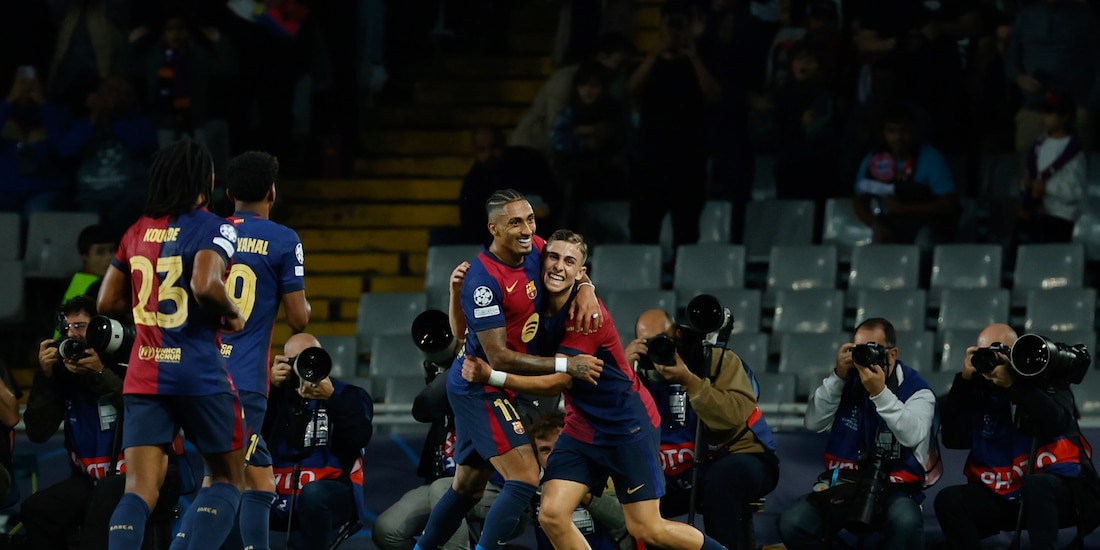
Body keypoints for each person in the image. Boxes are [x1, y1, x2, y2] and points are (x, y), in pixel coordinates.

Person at [463, 229, 729, 550]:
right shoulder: (537, 281)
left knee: (647, 527)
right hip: (582, 427)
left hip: (627, 426)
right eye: (554, 257)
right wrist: (460, 287)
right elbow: (512, 238)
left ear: (580, 271)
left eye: (570, 262)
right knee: (552, 514)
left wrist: (492, 377)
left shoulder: (587, 317)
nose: (559, 266)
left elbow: (557, 381)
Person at [412, 189, 603, 550]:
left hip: (506, 386)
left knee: (467, 487)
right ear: (494, 229)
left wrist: (586, 287)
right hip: (480, 387)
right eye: (515, 222)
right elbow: (497, 357)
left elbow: (570, 265)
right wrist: (566, 364)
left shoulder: (536, 250)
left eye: (529, 219)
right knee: (526, 477)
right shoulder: (483, 281)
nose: (526, 229)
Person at [97, 139, 246, 550]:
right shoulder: (215, 227)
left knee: (138, 492)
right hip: (198, 372)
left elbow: (106, 302)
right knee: (229, 478)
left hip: (144, 373)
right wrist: (233, 313)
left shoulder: (136, 231)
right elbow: (204, 283)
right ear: (207, 179)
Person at [173, 150, 311, 550]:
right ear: (272, 191)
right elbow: (299, 321)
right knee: (222, 480)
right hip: (245, 382)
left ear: (228, 192)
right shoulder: (284, 238)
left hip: (199, 372)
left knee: (259, 478)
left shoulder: (205, 232)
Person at [776, 317, 940, 550]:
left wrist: (880, 393)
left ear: (892, 354)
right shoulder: (845, 381)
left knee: (906, 523)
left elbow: (912, 435)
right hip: (844, 481)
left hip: (894, 487)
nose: (865, 357)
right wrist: (837, 377)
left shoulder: (918, 390)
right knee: (793, 522)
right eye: (858, 349)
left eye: (872, 349)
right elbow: (813, 423)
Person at [934, 323, 1100, 549]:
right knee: (949, 500)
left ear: (1017, 351)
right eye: (985, 352)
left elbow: (1056, 422)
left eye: (1000, 350)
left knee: (1036, 485)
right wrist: (963, 381)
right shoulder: (976, 389)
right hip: (1003, 496)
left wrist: (1014, 385)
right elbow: (954, 440)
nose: (994, 359)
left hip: (1058, 494)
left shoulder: (1044, 377)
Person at [627, 309, 780, 549]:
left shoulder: (715, 359)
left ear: (677, 334)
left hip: (740, 456)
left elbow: (734, 415)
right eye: (650, 343)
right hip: (678, 471)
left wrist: (690, 381)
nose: (659, 348)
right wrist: (624, 371)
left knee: (721, 480)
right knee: (636, 498)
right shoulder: (635, 373)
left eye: (663, 340)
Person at [373, 312, 500, 550]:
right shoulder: (442, 376)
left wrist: (466, 358)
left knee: (444, 491)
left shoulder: (488, 367)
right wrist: (449, 367)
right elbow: (424, 408)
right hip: (441, 480)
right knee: (387, 530)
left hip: (490, 485)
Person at [23, 296, 128, 550]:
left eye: (80, 326)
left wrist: (101, 375)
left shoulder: (125, 363)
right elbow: (38, 433)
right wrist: (46, 378)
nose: (72, 334)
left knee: (98, 514)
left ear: (101, 328)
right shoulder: (62, 376)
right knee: (36, 509)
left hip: (132, 477)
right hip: (86, 480)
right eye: (67, 328)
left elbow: (141, 412)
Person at [264, 332, 374, 550]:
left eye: (312, 357)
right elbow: (255, 435)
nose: (307, 367)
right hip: (277, 491)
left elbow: (359, 437)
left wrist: (331, 398)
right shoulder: (274, 396)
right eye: (298, 361)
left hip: (330, 492)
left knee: (313, 496)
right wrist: (272, 389)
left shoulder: (349, 394)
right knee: (229, 495)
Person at [627, 1, 722, 250]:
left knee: (687, 229)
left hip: (689, 160)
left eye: (681, 25)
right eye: (670, 24)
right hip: (651, 160)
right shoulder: (650, 61)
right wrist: (656, 53)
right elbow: (630, 89)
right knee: (643, 228)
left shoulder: (703, 59)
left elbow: (714, 97)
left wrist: (692, 55)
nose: (675, 31)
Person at [852, 104, 960, 251]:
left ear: (914, 131)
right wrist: (876, 225)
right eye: (892, 131)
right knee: (874, 251)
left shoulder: (931, 158)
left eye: (904, 131)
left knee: (923, 245)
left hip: (927, 225)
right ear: (884, 133)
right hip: (890, 224)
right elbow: (859, 201)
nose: (898, 137)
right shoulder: (874, 159)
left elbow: (949, 203)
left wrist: (905, 208)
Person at [511, 33, 635, 156]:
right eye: (620, 64)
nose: (622, 72)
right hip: (533, 148)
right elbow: (555, 126)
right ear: (602, 57)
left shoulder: (609, 86)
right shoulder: (567, 79)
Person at [526, 409, 633, 550]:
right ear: (537, 456)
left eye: (560, 446)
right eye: (545, 450)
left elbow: (623, 521)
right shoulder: (531, 487)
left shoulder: (601, 474)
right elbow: (516, 529)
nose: (555, 455)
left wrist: (582, 493)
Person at [450, 127, 559, 245]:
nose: (489, 154)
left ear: (503, 143)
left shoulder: (527, 162)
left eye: (494, 147)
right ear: (475, 152)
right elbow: (471, 226)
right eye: (482, 149)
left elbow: (553, 201)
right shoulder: (473, 182)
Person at [1015, 90, 1086, 245]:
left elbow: (1076, 191)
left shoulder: (1073, 151)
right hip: (1035, 213)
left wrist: (1047, 187)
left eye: (1050, 113)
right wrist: (1026, 184)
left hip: (1060, 217)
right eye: (1044, 112)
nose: (1044, 118)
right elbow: (1032, 174)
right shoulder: (1039, 145)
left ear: (1064, 117)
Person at [58, 224, 118, 318]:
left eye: (111, 250)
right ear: (84, 257)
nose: (109, 257)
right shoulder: (97, 288)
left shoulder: (76, 280)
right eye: (100, 252)